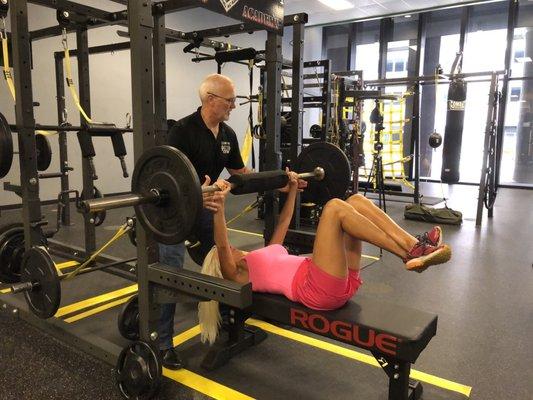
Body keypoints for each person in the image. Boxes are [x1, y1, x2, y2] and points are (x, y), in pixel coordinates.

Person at [197, 173, 452, 345]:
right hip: (316, 289)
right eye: (224, 252)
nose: (229, 247)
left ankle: (414, 246)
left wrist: (294, 190)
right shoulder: (238, 273)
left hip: (337, 281)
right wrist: (219, 206)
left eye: (227, 248)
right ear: (220, 264)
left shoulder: (261, 254)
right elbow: (220, 242)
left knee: (356, 200)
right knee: (334, 208)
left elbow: (285, 221)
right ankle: (410, 251)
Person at [158, 73, 249, 369]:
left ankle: (226, 322)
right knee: (170, 274)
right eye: (230, 101)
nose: (234, 106)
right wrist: (197, 191)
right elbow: (168, 179)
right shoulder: (182, 131)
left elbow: (239, 173)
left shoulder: (227, 135)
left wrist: (279, 182)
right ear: (211, 100)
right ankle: (163, 344)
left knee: (225, 262)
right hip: (174, 213)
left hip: (206, 211)